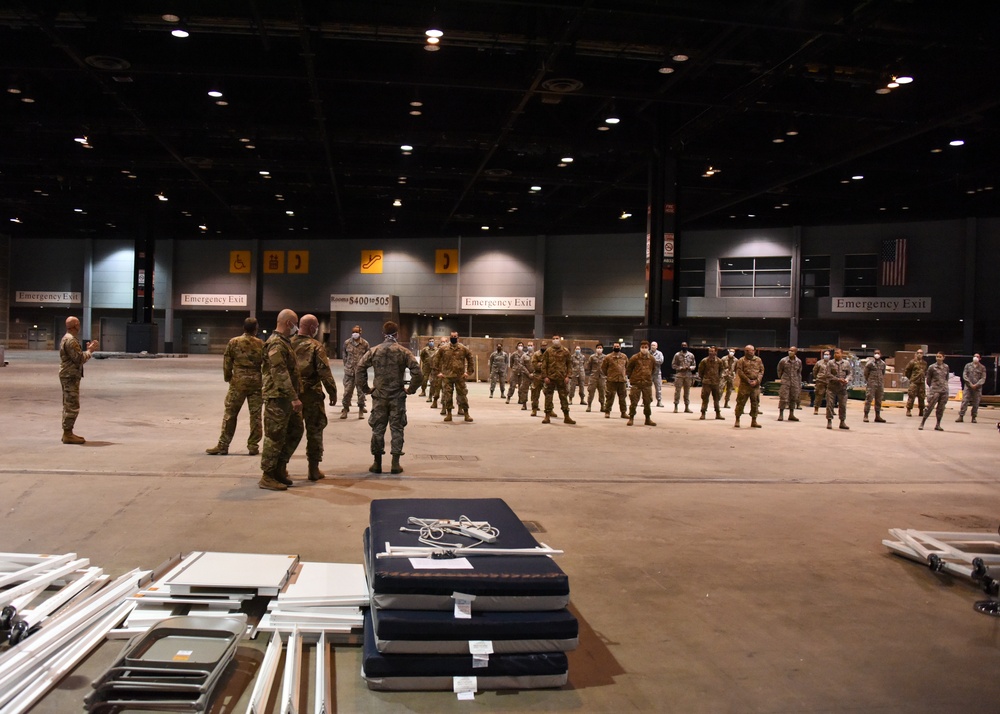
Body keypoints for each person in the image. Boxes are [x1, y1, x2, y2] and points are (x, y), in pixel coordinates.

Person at [356, 321, 423, 474]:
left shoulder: (374, 351)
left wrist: (366, 389)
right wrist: (410, 389)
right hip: (397, 396)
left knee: (378, 429)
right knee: (397, 428)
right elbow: (418, 373)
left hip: (379, 396)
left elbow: (359, 369)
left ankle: (377, 463)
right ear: (397, 334)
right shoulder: (403, 352)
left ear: (383, 333)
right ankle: (395, 463)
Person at [259, 309, 303, 491]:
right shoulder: (276, 344)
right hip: (277, 398)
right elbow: (280, 373)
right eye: (295, 323)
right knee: (274, 437)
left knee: (296, 430)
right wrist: (294, 398)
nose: (296, 327)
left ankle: (279, 467)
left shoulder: (285, 342)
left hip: (286, 397)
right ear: (288, 324)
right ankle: (267, 476)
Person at [206, 317, 264, 456]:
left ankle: (223, 445)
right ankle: (253, 446)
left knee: (231, 414)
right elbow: (266, 364)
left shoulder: (234, 342)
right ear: (256, 329)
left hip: (238, 382)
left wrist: (228, 377)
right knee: (255, 416)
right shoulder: (262, 344)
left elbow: (227, 361)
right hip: (256, 382)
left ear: (243, 328)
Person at [292, 314, 338, 481]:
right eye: (316, 326)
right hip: (311, 395)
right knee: (315, 431)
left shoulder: (287, 343)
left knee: (289, 432)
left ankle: (281, 468)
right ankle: (313, 469)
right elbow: (324, 372)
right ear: (312, 327)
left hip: (291, 395)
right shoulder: (315, 346)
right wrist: (332, 392)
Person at [58, 316, 99, 444]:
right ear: (76, 326)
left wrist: (86, 351)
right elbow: (79, 359)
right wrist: (90, 350)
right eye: (78, 324)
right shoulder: (71, 341)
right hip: (70, 376)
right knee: (72, 405)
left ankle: (67, 432)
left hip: (67, 374)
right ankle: (68, 434)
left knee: (68, 404)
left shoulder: (67, 338)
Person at [433, 330, 474, 422]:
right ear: (450, 337)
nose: (454, 338)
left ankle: (466, 414)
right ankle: (449, 414)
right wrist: (437, 372)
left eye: (455, 337)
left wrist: (468, 372)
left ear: (458, 337)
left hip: (460, 376)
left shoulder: (463, 348)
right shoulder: (443, 348)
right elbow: (436, 359)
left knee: (462, 395)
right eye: (452, 336)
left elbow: (470, 359)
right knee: (447, 395)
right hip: (447, 376)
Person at [541, 335, 576, 424]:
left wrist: (568, 376)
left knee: (564, 397)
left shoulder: (565, 351)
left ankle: (566, 416)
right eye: (554, 339)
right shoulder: (548, 351)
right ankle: (547, 416)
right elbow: (544, 365)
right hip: (550, 378)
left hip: (562, 378)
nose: (555, 340)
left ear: (560, 340)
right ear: (551, 340)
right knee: (548, 397)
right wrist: (545, 376)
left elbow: (569, 365)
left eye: (557, 339)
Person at [340, 325, 369, 420]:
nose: (354, 334)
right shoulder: (347, 343)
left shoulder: (365, 344)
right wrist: (347, 365)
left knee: (361, 392)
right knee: (347, 391)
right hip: (349, 372)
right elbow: (344, 355)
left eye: (356, 332)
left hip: (360, 372)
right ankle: (345, 409)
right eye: (353, 332)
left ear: (360, 333)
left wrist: (364, 367)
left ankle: (361, 409)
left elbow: (368, 356)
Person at [625, 341, 657, 426]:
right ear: (640, 348)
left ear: (648, 347)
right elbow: (629, 369)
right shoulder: (634, 358)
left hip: (647, 383)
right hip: (636, 383)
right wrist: (633, 378)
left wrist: (648, 376)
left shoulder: (651, 358)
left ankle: (647, 419)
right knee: (634, 401)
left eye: (646, 347)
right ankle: (631, 418)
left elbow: (653, 369)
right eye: (642, 347)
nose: (644, 349)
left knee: (647, 402)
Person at [733, 345, 764, 428]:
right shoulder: (741, 360)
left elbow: (761, 371)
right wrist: (748, 380)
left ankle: (754, 421)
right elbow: (739, 371)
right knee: (740, 402)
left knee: (755, 403)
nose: (749, 352)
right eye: (747, 350)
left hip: (755, 386)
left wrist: (757, 381)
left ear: (754, 351)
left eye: (750, 350)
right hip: (744, 385)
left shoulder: (758, 360)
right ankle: (737, 420)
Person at [920, 352, 950, 432]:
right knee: (929, 407)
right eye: (937, 356)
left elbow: (946, 378)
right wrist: (933, 387)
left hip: (944, 390)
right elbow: (928, 379)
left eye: (940, 357)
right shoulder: (932, 367)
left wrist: (944, 386)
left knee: (941, 409)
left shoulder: (946, 367)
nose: (938, 358)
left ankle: (938, 424)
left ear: (943, 357)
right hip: (935, 390)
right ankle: (922, 423)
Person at [826, 348, 852, 430]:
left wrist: (847, 379)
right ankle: (829, 421)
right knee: (830, 405)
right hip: (832, 387)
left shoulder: (846, 363)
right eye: (835, 353)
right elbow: (827, 374)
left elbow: (850, 373)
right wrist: (837, 379)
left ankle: (842, 421)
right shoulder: (830, 363)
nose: (836, 354)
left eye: (837, 353)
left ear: (841, 354)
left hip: (842, 388)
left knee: (843, 405)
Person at [601, 343, 629, 419]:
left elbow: (627, 367)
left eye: (618, 346)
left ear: (620, 347)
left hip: (622, 381)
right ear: (612, 347)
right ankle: (607, 412)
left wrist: (624, 375)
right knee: (610, 397)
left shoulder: (624, 356)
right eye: (615, 346)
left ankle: (623, 412)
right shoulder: (608, 357)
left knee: (622, 397)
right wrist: (609, 375)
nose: (616, 347)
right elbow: (603, 368)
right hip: (611, 380)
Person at [697, 346, 725, 420]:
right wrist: (704, 378)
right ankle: (703, 413)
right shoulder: (704, 361)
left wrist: (719, 377)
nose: (711, 353)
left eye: (713, 351)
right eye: (710, 351)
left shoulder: (719, 361)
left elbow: (722, 370)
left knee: (716, 399)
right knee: (705, 398)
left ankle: (718, 413)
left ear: (716, 352)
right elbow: (700, 371)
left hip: (716, 383)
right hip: (707, 382)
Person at [957, 353, 986, 423]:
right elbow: (964, 375)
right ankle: (961, 416)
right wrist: (970, 384)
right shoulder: (968, 365)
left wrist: (977, 385)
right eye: (974, 356)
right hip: (968, 387)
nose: (975, 357)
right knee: (965, 401)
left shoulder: (982, 367)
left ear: (980, 358)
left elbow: (983, 378)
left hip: (977, 388)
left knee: (976, 403)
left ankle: (974, 417)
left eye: (977, 357)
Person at [776, 346, 803, 422]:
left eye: (792, 351)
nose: (790, 352)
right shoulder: (783, 360)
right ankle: (781, 414)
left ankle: (791, 414)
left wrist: (798, 382)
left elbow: (799, 372)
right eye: (789, 350)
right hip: (785, 382)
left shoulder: (799, 361)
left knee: (793, 398)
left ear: (795, 352)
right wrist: (782, 378)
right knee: (783, 398)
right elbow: (779, 370)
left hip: (795, 382)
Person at [671, 342, 696, 413]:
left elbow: (694, 365)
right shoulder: (677, 355)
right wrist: (680, 368)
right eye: (683, 345)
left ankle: (687, 407)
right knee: (677, 391)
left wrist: (690, 368)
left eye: (685, 345)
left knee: (687, 392)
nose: (684, 346)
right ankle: (676, 406)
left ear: (687, 346)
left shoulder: (691, 355)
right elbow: (673, 365)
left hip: (688, 375)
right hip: (679, 375)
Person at [863, 350, 887, 423]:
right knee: (869, 399)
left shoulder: (883, 364)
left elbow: (883, 373)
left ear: (881, 354)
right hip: (871, 384)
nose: (877, 355)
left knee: (879, 400)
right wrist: (869, 380)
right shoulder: (870, 363)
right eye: (875, 353)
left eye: (878, 353)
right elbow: (865, 373)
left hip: (880, 384)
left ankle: (877, 416)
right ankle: (866, 415)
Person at [904, 349, 927, 418]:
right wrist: (911, 378)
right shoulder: (912, 362)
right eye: (918, 353)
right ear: (916, 354)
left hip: (921, 382)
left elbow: (925, 372)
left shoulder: (924, 363)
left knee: (922, 397)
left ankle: (921, 410)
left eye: (921, 353)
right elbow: (907, 371)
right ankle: (908, 410)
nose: (919, 354)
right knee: (911, 396)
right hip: (914, 382)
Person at [585, 343, 607, 413]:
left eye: (600, 348)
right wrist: (592, 373)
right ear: (596, 348)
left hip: (602, 377)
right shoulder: (592, 357)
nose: (599, 349)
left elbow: (607, 367)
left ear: (602, 349)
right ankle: (589, 406)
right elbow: (588, 366)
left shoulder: (605, 357)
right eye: (598, 348)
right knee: (591, 392)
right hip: (593, 377)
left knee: (602, 392)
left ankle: (602, 406)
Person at [507, 341, 529, 406]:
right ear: (517, 347)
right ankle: (508, 397)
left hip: (522, 372)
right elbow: (511, 363)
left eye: (521, 345)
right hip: (515, 371)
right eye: (519, 345)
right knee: (512, 385)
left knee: (521, 387)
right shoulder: (514, 354)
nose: (520, 346)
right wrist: (514, 368)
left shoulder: (525, 355)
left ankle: (520, 399)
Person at [529, 341, 547, 417]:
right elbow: (535, 365)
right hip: (537, 376)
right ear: (540, 346)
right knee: (535, 393)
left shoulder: (549, 354)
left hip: (547, 376)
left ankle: (549, 410)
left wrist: (541, 364)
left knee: (548, 394)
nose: (544, 347)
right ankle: (534, 409)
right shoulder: (536, 354)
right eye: (542, 345)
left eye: (545, 345)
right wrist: (543, 365)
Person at [812, 351, 832, 415]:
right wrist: (817, 377)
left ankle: (830, 410)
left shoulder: (832, 363)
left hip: (829, 382)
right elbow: (814, 371)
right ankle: (816, 409)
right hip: (820, 381)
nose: (826, 356)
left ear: (830, 356)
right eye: (825, 354)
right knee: (819, 395)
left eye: (827, 354)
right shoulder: (819, 363)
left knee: (830, 397)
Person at [650, 341, 665, 407]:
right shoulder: (647, 353)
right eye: (652, 345)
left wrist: (653, 360)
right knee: (647, 388)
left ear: (656, 346)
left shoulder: (659, 353)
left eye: (654, 345)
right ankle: (645, 401)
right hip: (649, 373)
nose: (653, 346)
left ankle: (659, 401)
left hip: (657, 373)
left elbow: (661, 361)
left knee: (658, 388)